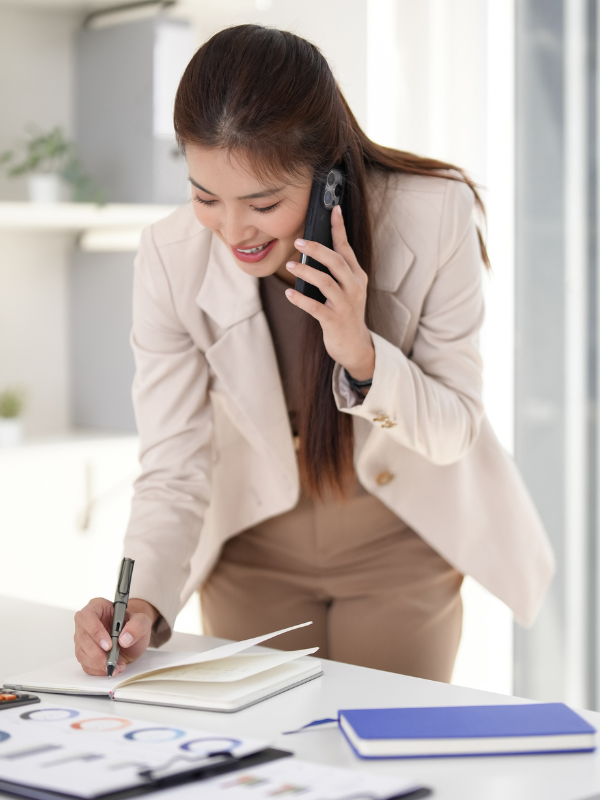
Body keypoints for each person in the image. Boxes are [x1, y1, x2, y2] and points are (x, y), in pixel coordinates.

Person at [74, 25, 554, 683]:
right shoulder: (169, 256)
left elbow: (454, 430)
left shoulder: (436, 215)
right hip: (253, 549)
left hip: (398, 542)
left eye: (263, 202)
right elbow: (173, 464)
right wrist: (144, 602)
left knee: (385, 765)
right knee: (263, 769)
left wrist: (360, 353)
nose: (233, 231)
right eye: (205, 196)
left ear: (325, 174)